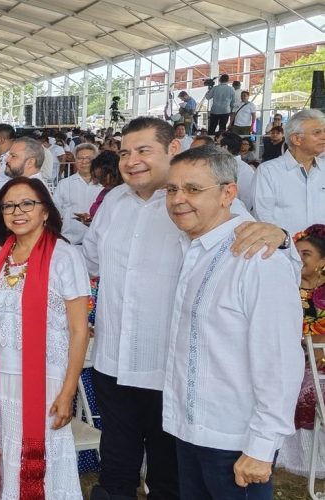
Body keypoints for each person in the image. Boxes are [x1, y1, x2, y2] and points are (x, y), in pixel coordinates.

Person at [83, 117, 286, 500]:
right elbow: (89, 262)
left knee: (170, 477)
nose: (132, 161)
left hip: (169, 375)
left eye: (144, 150)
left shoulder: (195, 202)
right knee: (115, 470)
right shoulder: (113, 203)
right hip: (113, 364)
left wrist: (282, 236)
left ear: (172, 150)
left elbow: (253, 246)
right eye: (125, 152)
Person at [161, 145, 302, 498]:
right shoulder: (191, 248)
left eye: (193, 189)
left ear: (228, 193)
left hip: (236, 441)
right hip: (190, 431)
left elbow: (280, 359)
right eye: (172, 189)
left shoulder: (258, 256)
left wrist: (261, 445)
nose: (179, 199)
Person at [0, 177, 91, 499]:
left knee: (43, 462)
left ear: (45, 211)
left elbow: (80, 330)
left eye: (27, 203)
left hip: (46, 380)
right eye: (9, 205)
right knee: (6, 457)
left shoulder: (65, 256)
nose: (17, 211)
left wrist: (68, 392)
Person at [278, 224, 325, 478]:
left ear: (323, 261)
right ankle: (291, 459)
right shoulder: (285, 286)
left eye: (306, 254)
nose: (299, 258)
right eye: (296, 253)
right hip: (292, 359)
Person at [252, 108, 325, 234]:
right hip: (283, 251)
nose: (323, 136)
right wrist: (288, 246)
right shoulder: (268, 172)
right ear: (296, 139)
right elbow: (264, 219)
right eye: (317, 132)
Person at [53, 143, 103, 243]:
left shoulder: (104, 185)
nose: (84, 161)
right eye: (80, 158)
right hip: (70, 241)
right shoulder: (64, 184)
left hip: (98, 241)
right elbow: (55, 211)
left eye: (88, 158)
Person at [84, 150, 124, 219]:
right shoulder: (104, 192)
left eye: (103, 177)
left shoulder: (125, 193)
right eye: (98, 178)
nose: (101, 182)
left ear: (115, 172)